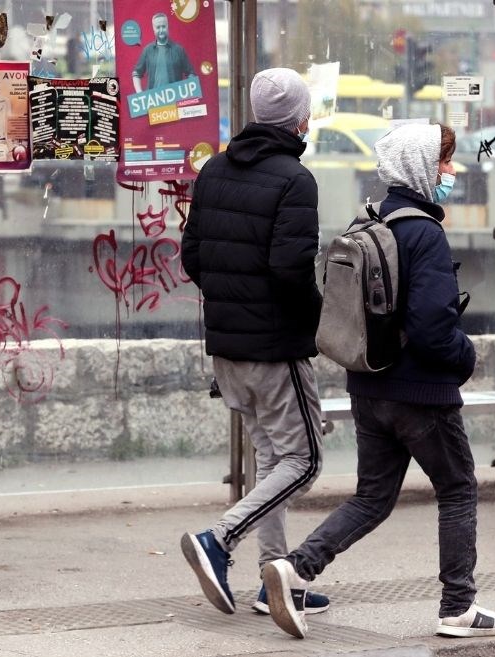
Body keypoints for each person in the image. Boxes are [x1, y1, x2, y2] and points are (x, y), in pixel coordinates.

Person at [261, 123, 495, 641]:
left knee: (373, 497)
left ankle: (295, 569)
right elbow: (432, 327)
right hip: (420, 394)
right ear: (421, 166)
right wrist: (465, 359)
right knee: (459, 487)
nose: (450, 171)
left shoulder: (371, 221)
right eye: (443, 162)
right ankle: (458, 607)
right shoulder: (424, 232)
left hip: (369, 388)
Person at [179, 68, 329, 618]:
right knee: (305, 460)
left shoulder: (214, 170)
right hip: (275, 349)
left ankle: (275, 580)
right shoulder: (295, 179)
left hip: (226, 348)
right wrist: (321, 324)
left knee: (271, 461)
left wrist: (231, 302)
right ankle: (218, 541)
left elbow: (193, 256)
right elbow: (292, 272)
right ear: (298, 120)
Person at [131, 13, 192, 93]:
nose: (161, 30)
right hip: (153, 102)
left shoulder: (179, 50)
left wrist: (187, 92)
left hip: (175, 101)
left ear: (168, 26)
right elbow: (136, 73)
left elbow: (191, 74)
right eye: (158, 27)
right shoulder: (147, 50)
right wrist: (139, 93)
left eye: (163, 26)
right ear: (153, 29)